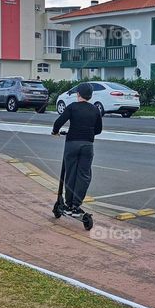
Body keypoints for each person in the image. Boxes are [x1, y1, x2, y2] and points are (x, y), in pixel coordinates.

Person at [52, 83, 103, 215]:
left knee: (71, 173)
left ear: (78, 94)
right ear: (90, 96)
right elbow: (98, 130)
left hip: (72, 144)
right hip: (87, 145)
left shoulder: (72, 107)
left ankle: (68, 204)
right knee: (84, 175)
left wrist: (55, 132)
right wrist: (88, 133)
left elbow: (58, 122)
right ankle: (76, 205)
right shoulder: (95, 109)